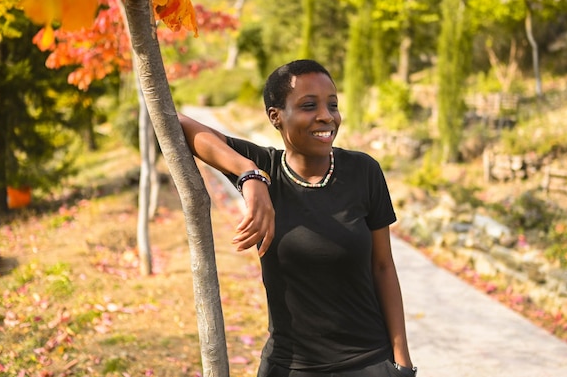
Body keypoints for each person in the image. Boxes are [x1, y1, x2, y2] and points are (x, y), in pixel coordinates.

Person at [178, 59, 416, 377]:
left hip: (369, 363)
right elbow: (175, 121)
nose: (326, 116)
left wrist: (402, 364)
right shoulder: (267, 169)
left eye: (332, 104)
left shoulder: (364, 171)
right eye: (309, 105)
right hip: (290, 367)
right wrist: (250, 175)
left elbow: (383, 266)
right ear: (276, 116)